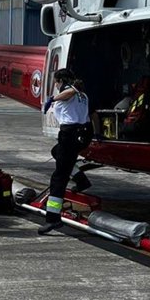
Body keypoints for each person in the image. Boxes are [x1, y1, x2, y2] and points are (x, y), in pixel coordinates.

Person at [40, 68, 92, 235]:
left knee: (58, 178)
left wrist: (52, 99)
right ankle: (81, 180)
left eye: (56, 82)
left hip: (70, 134)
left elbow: (69, 92)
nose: (56, 86)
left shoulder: (71, 91)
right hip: (80, 134)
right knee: (57, 153)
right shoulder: (83, 95)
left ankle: (53, 219)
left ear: (61, 81)